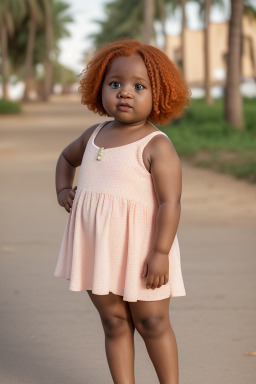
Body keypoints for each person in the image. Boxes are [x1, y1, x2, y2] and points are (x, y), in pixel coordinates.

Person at [54, 39, 191, 384]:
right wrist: (63, 189)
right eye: (115, 84)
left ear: (159, 94)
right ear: (99, 86)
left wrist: (160, 252)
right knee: (114, 321)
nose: (124, 93)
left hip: (143, 252)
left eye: (138, 86)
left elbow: (169, 203)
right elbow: (66, 159)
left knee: (152, 322)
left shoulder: (155, 145)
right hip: (99, 249)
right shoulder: (94, 135)